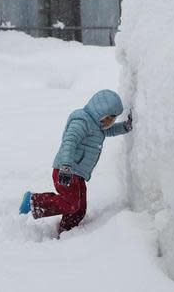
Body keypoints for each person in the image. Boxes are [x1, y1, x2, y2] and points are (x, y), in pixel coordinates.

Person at [19, 89, 133, 236]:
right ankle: (34, 201)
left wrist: (125, 126)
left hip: (77, 174)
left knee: (79, 208)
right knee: (71, 203)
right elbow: (69, 141)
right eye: (109, 118)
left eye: (113, 119)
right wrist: (66, 165)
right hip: (66, 170)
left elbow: (110, 131)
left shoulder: (99, 126)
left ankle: (67, 232)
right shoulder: (82, 121)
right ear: (100, 112)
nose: (111, 123)